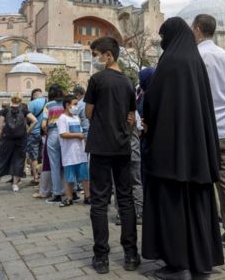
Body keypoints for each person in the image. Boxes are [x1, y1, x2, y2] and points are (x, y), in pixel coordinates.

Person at [142, 18, 223, 279]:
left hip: (170, 151)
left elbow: (152, 103)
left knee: (172, 204)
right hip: (197, 152)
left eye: (163, 35)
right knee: (197, 203)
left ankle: (178, 265)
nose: (162, 40)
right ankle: (200, 262)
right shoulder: (195, 62)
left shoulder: (169, 63)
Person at [84, 36, 140, 275]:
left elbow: (88, 113)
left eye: (97, 54)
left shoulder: (96, 80)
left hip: (100, 145)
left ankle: (101, 257)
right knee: (125, 199)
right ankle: (130, 254)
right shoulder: (128, 82)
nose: (95, 59)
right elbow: (131, 116)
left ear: (108, 55)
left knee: (99, 201)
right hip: (122, 146)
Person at [192, 14, 225, 251]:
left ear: (198, 29)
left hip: (202, 129)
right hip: (224, 128)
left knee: (199, 180)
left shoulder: (196, 56)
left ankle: (204, 233)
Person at [0, 95, 37, 192]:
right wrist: (27, 131)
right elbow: (35, 121)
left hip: (7, 139)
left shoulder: (5, 110)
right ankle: (15, 185)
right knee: (19, 160)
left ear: (11, 100)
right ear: (20, 101)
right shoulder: (24, 110)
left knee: (3, 160)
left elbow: (0, 127)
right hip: (21, 139)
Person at [56, 94, 90, 207]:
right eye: (75, 104)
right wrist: (78, 135)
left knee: (85, 176)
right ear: (67, 105)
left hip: (80, 152)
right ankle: (69, 197)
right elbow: (63, 134)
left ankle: (87, 196)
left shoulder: (76, 117)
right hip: (69, 154)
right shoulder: (62, 118)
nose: (76, 106)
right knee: (69, 178)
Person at [44, 85, 66, 204]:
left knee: (54, 165)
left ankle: (56, 193)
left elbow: (43, 124)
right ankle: (71, 191)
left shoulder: (48, 105)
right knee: (67, 163)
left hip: (53, 133)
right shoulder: (66, 104)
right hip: (66, 134)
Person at [27, 88, 47, 185]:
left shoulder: (33, 103)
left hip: (34, 132)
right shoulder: (48, 102)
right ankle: (43, 176)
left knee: (33, 156)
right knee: (42, 156)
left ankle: (36, 177)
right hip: (45, 133)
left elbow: (28, 117)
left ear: (34, 95)